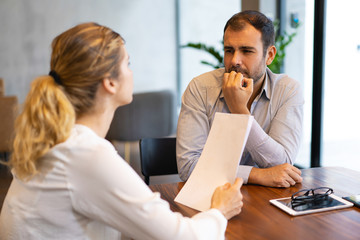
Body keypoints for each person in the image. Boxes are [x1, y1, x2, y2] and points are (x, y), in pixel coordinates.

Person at [0, 22, 244, 240]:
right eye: (127, 63)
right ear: (110, 82)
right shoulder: (85, 154)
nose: (131, 71)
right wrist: (219, 211)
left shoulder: (60, 141)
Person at [177, 10, 304, 188]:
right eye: (229, 50)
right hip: (210, 197)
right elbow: (188, 167)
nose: (235, 60)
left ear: (269, 55)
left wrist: (239, 110)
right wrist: (256, 174)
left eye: (246, 51)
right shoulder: (200, 89)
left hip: (266, 202)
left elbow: (281, 164)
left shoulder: (288, 91)